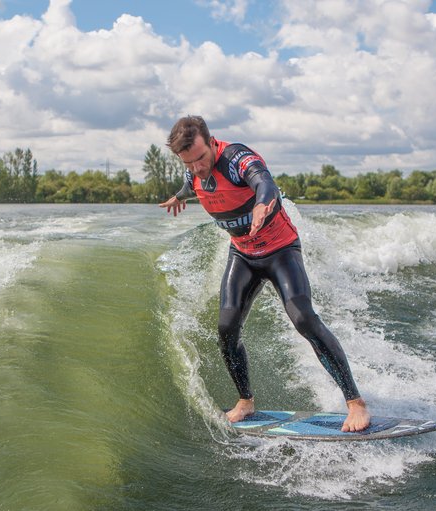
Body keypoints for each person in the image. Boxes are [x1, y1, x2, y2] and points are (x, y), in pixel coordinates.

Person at [159, 116, 371, 432]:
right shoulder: (195, 171)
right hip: (243, 254)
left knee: (303, 319)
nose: (197, 168)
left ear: (212, 141)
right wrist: (179, 196)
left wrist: (262, 204)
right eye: (188, 163)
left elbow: (264, 182)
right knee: (227, 328)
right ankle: (245, 401)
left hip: (280, 251)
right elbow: (192, 184)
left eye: (201, 159)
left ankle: (356, 403)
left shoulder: (237, 159)